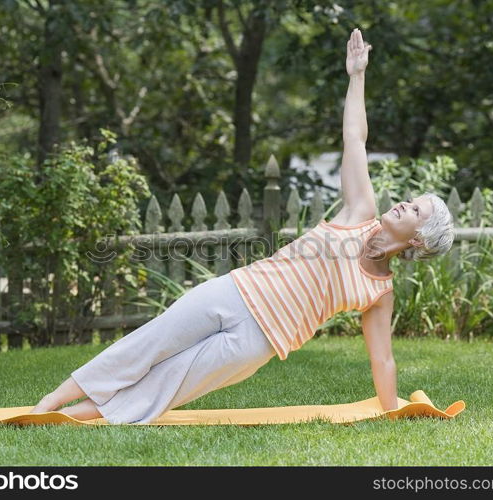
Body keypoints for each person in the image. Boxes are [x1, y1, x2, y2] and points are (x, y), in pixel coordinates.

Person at [29, 28, 455, 423]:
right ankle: (50, 401)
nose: (403, 203)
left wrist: (391, 411)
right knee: (148, 343)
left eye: (415, 210)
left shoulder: (380, 293)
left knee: (171, 383)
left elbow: (382, 359)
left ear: (419, 238)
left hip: (258, 342)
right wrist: (357, 76)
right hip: (234, 292)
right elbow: (355, 138)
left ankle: (70, 416)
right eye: (411, 201)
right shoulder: (360, 212)